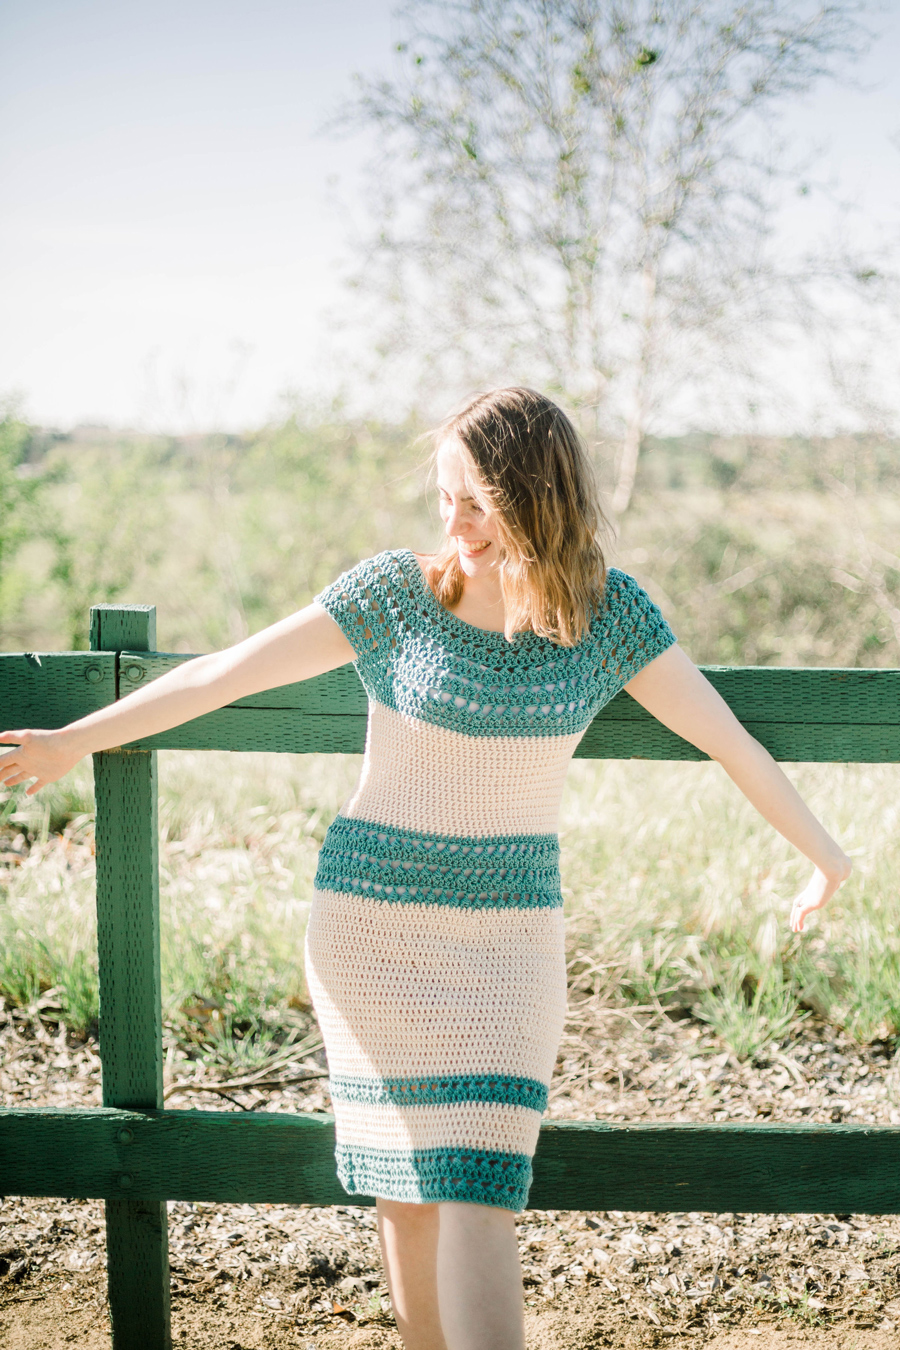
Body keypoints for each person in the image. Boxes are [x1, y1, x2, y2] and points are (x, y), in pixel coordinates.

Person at [0, 387, 851, 1350]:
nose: (458, 522)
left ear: (543, 495)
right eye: (446, 496)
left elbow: (728, 740)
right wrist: (73, 739)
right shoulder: (395, 594)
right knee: (404, 1196)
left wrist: (824, 854)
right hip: (372, 930)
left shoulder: (607, 615)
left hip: (510, 942)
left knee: (482, 1190)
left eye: (481, 500)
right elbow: (224, 673)